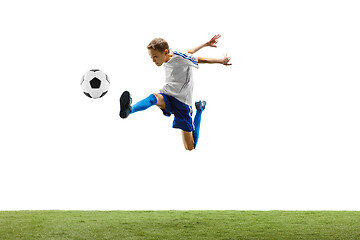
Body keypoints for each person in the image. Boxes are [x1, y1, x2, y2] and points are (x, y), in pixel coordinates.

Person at [119, 34, 232, 151]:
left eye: (155, 57)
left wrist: (222, 61)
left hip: (183, 102)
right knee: (153, 98)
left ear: (165, 52)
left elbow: (202, 59)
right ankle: (129, 110)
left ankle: (200, 109)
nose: (153, 60)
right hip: (168, 94)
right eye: (151, 57)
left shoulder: (180, 57)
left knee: (190, 147)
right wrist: (206, 44)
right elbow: (189, 51)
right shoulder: (171, 54)